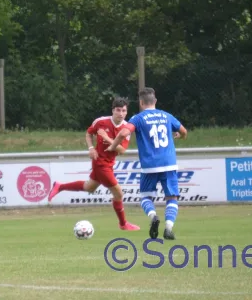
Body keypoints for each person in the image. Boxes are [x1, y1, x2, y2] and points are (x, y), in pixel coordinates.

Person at [48, 97, 141, 231]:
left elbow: (122, 150)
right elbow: (88, 133)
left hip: (109, 163)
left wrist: (106, 138)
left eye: (124, 111)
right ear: (113, 110)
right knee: (119, 194)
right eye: (118, 110)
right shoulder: (101, 121)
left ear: (126, 112)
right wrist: (91, 148)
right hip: (100, 163)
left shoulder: (126, 128)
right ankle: (123, 224)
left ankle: (60, 186)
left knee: (89, 187)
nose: (121, 113)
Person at [107, 87, 187, 240]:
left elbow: (124, 133)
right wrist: (178, 135)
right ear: (155, 101)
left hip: (149, 165)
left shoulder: (138, 118)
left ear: (141, 102)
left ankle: (153, 217)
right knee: (172, 198)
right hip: (169, 164)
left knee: (145, 197)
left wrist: (112, 146)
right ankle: (169, 227)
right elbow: (184, 132)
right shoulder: (167, 116)